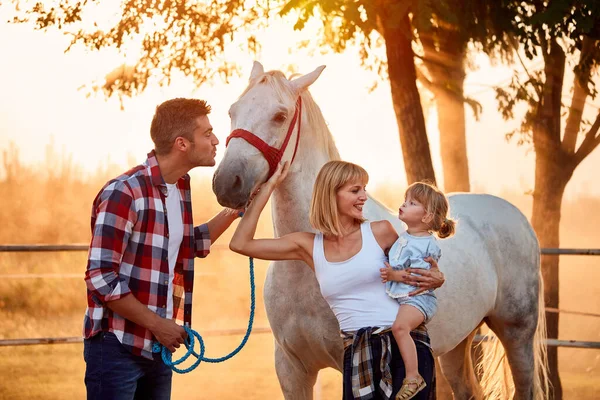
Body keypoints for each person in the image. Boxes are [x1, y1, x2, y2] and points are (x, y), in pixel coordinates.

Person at [230, 160, 446, 400]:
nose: (364, 196)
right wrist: (269, 189)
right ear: (330, 194)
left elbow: (416, 269)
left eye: (364, 189)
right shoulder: (309, 246)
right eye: (355, 190)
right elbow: (240, 243)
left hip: (404, 350)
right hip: (357, 354)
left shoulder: (381, 231)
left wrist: (438, 277)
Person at [83, 98, 240, 400]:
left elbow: (187, 246)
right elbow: (100, 277)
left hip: (157, 348)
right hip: (117, 347)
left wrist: (235, 209)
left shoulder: (179, 188)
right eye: (207, 133)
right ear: (182, 143)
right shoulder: (124, 192)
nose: (216, 140)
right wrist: (159, 325)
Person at [380, 182, 456, 400]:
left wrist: (394, 275)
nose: (403, 204)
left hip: (418, 300)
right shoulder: (405, 237)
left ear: (426, 216)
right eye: (405, 200)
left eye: (412, 203)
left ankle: (413, 377)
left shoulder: (426, 245)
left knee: (400, 328)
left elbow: (418, 277)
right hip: (405, 298)